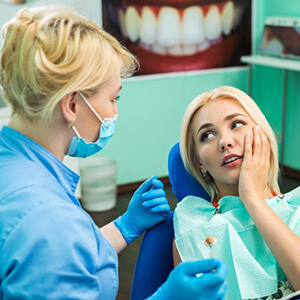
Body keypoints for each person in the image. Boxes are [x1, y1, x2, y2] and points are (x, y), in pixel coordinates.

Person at [0, 5, 227, 299]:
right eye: (112, 98)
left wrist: (126, 225)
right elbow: (55, 243)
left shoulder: (16, 167)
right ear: (71, 105)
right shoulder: (46, 219)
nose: (114, 112)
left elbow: (69, 258)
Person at [173, 85, 300, 300]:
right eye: (207, 135)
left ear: (264, 136)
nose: (225, 142)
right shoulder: (193, 227)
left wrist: (253, 200)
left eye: (237, 124)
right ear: (200, 163)